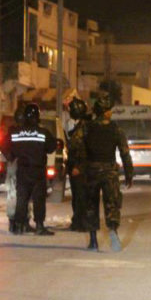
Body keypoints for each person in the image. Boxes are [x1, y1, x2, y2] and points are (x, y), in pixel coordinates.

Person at [72, 92, 133, 252]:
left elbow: (75, 144)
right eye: (109, 110)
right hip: (109, 172)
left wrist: (81, 163)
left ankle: (93, 241)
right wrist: (129, 173)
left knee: (91, 205)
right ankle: (112, 231)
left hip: (91, 171)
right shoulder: (115, 129)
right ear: (105, 112)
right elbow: (125, 152)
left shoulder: (87, 128)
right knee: (112, 204)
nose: (111, 112)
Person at [0, 103, 56, 235]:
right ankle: (39, 226)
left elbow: (3, 144)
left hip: (23, 170)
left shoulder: (16, 133)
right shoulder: (43, 133)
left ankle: (19, 226)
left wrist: (10, 156)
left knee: (22, 198)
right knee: (39, 199)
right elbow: (51, 148)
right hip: (38, 171)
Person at [66, 97, 91, 231]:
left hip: (81, 167)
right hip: (76, 165)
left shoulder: (84, 127)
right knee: (77, 195)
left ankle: (82, 223)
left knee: (81, 196)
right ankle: (77, 221)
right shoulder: (79, 125)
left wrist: (79, 166)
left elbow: (84, 148)